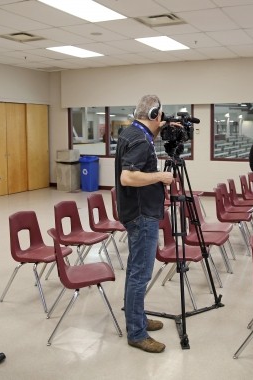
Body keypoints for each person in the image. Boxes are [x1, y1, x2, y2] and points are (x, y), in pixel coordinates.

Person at [115, 94, 174, 353]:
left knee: (134, 272)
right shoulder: (140, 139)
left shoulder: (131, 133)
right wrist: (161, 176)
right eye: (159, 116)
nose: (161, 120)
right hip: (142, 215)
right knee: (140, 274)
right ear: (153, 115)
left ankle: (136, 319)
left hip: (135, 211)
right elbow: (127, 177)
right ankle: (136, 333)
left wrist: (159, 131)